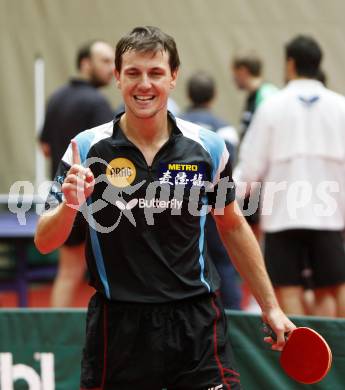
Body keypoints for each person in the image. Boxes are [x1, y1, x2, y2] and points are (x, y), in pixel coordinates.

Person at [35, 26, 294, 389]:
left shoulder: (208, 148)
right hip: (118, 329)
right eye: (133, 73)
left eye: (155, 73)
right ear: (117, 77)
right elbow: (45, 241)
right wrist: (69, 206)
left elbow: (232, 225)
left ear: (173, 77)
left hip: (196, 324)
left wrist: (270, 306)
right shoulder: (87, 148)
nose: (145, 84)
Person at [234, 35, 345, 317]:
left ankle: (303, 357)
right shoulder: (340, 107)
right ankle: (333, 354)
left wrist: (223, 199)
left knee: (287, 289)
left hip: (283, 216)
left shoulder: (272, 107)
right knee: (330, 288)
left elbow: (250, 167)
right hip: (330, 215)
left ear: (290, 64)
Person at [39, 40, 115, 307]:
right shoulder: (98, 104)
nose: (111, 68)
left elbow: (45, 146)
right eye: (105, 61)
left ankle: (54, 340)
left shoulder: (55, 98)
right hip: (93, 200)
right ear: (85, 63)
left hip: (64, 196)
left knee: (68, 273)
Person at [181, 71, 241, 309]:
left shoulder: (174, 124)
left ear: (188, 94)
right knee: (224, 262)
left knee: (182, 261)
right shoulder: (224, 129)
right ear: (214, 96)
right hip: (215, 204)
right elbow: (230, 167)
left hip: (178, 206)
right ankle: (234, 317)